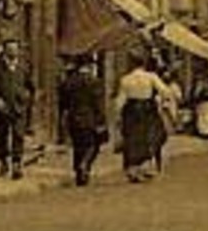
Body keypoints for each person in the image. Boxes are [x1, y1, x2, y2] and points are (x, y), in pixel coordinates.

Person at [115, 50, 173, 182]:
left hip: (131, 110)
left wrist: (117, 115)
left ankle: (133, 169)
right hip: (147, 108)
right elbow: (165, 91)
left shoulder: (125, 79)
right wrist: (164, 101)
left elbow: (120, 100)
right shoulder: (151, 77)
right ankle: (146, 167)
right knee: (149, 137)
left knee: (132, 138)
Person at [0, 38, 32, 179]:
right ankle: (3, 162)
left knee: (18, 135)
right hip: (2, 106)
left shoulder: (23, 66)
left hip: (19, 106)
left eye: (15, 49)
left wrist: (27, 96)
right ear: (4, 50)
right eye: (9, 49)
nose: (13, 51)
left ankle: (17, 164)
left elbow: (30, 84)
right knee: (2, 135)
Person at [58, 55, 107, 187]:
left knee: (77, 146)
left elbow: (63, 102)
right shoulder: (94, 82)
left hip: (73, 117)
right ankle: (85, 164)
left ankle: (79, 174)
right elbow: (98, 104)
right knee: (93, 145)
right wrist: (101, 121)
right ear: (90, 66)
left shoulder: (68, 82)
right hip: (89, 118)